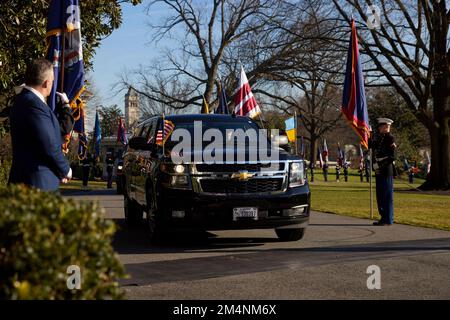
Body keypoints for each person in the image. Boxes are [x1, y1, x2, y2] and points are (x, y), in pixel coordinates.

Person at [9, 59, 72, 191]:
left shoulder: (26, 100)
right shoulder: (33, 104)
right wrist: (66, 169)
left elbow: (51, 134)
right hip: (37, 183)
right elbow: (48, 144)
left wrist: (65, 107)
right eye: (52, 81)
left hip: (33, 181)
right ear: (46, 83)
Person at [369, 118, 397, 226]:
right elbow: (371, 145)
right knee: (380, 195)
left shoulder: (390, 138)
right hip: (379, 169)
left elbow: (392, 157)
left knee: (387, 195)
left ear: (386, 127)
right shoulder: (380, 138)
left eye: (381, 126)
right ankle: (383, 217)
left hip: (386, 169)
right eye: (379, 126)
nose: (379, 128)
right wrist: (369, 135)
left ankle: (388, 219)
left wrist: (381, 166)